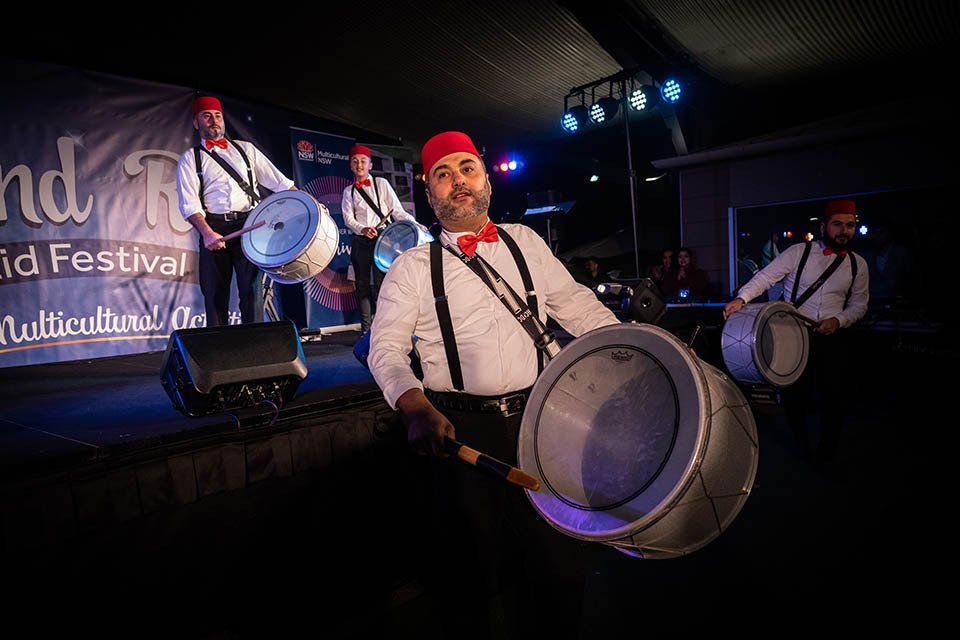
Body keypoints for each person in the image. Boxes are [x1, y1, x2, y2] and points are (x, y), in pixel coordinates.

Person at [368, 131, 618, 636]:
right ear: (428, 189)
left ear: (484, 176)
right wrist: (415, 407)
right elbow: (386, 350)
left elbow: (577, 307)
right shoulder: (411, 267)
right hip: (460, 433)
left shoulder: (525, 241)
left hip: (539, 422)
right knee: (469, 572)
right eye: (443, 173)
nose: (457, 181)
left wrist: (636, 349)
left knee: (561, 564)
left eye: (466, 169)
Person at [724, 199, 869, 471]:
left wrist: (839, 320)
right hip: (792, 336)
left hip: (833, 338)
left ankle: (826, 455)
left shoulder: (858, 264)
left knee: (833, 398)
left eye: (850, 225)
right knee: (794, 396)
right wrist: (742, 299)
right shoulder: (798, 252)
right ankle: (801, 445)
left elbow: (859, 305)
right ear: (824, 225)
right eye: (837, 224)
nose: (844, 231)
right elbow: (766, 278)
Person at [176, 95, 296, 326]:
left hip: (250, 226)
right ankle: (218, 351)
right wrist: (207, 233)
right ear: (196, 123)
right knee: (214, 294)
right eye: (207, 116)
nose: (214, 121)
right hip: (214, 228)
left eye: (218, 115)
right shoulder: (191, 159)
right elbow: (189, 204)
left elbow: (281, 182)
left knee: (251, 291)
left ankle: (254, 346)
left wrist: (309, 202)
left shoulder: (246, 150)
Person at [341, 144, 422, 332]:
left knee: (382, 285)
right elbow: (348, 218)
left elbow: (397, 211)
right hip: (361, 241)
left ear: (370, 165)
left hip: (383, 241)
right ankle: (366, 331)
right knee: (362, 286)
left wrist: (416, 224)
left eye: (363, 161)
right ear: (350, 165)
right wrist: (362, 229)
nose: (359, 165)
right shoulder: (348, 191)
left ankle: (384, 329)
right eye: (355, 161)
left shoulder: (381, 184)